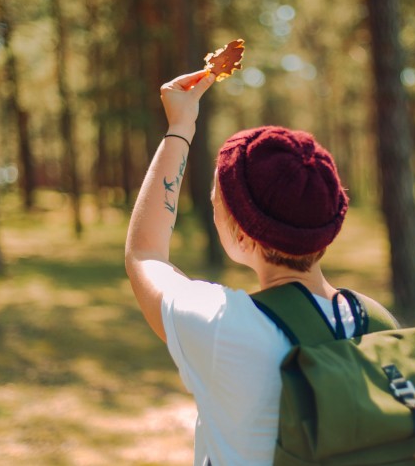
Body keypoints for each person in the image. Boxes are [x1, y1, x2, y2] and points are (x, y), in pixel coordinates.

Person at [125, 70, 387, 465]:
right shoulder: (376, 321)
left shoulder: (221, 327)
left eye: (217, 201)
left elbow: (145, 254)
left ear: (244, 234)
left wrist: (180, 126)